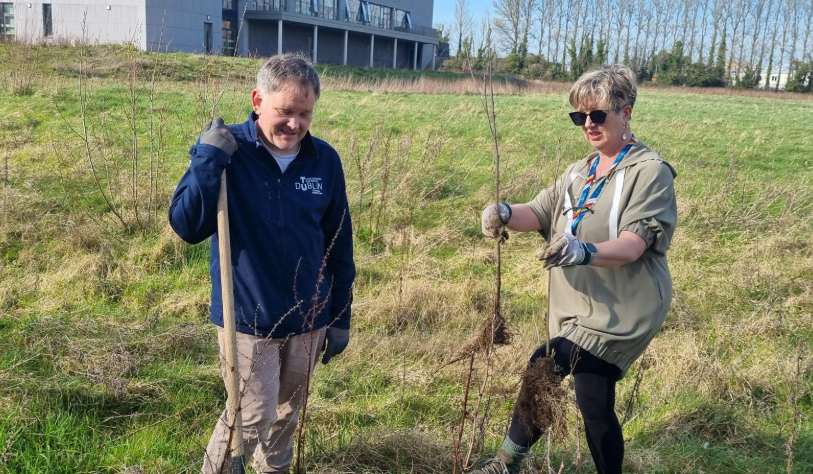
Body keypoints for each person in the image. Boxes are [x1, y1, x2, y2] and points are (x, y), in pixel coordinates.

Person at [474, 64, 677, 474]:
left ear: (626, 112)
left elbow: (634, 244)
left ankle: (505, 463)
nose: (588, 124)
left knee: (552, 367)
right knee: (590, 395)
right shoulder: (578, 172)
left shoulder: (649, 172)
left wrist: (583, 250)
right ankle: (514, 463)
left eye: (597, 114)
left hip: (623, 306)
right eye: (579, 116)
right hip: (578, 304)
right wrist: (504, 212)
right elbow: (541, 211)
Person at [168, 53, 355, 474]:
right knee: (251, 416)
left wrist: (341, 314)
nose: (295, 124)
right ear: (257, 100)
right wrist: (206, 161)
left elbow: (339, 242)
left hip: (309, 315)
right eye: (285, 112)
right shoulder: (227, 151)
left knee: (287, 414)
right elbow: (186, 225)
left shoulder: (324, 161)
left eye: (305, 114)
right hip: (249, 317)